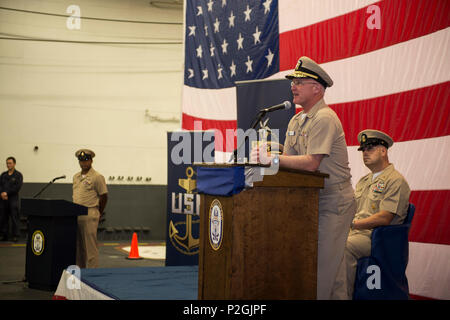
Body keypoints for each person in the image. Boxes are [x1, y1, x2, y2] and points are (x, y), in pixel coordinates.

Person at [252, 56, 356, 299]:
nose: (293, 86)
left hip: (334, 203)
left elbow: (310, 163)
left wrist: (272, 160)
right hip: (311, 200)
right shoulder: (296, 120)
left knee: (318, 271)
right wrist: (274, 152)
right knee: (335, 273)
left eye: (299, 81)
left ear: (317, 89)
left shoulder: (324, 118)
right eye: (293, 81)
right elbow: (291, 161)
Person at [331, 129, 411, 299]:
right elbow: (352, 210)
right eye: (363, 150)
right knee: (325, 242)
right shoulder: (364, 181)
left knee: (343, 248)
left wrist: (353, 224)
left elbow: (385, 217)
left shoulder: (395, 180)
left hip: (375, 237)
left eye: (370, 148)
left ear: (383, 151)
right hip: (355, 232)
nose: (365, 153)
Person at [73, 149, 108, 268]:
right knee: (78, 248)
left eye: (86, 160)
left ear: (91, 161)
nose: (83, 163)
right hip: (76, 215)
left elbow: (104, 196)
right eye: (81, 161)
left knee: (90, 248)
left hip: (89, 213)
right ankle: (80, 273)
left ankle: (93, 274)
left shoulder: (97, 177)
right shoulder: (76, 177)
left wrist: (98, 212)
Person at [0, 157, 23, 242]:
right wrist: (2, 193)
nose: (8, 165)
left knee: (14, 218)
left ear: (14, 164)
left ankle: (15, 235)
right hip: (3, 200)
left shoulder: (18, 175)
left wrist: (7, 193)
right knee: (3, 218)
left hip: (13, 200)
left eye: (10, 163)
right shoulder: (3, 175)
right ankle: (4, 235)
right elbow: (0, 186)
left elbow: (17, 187)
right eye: (7, 163)